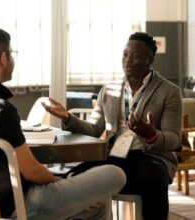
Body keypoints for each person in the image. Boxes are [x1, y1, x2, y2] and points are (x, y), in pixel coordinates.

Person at [0, 25, 126, 220]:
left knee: (99, 202)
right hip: (22, 207)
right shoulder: (1, 110)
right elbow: (31, 171)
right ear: (3, 57)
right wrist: (61, 183)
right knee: (116, 173)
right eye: (12, 53)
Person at [42, 32, 182, 220]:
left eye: (136, 56)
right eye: (125, 54)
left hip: (150, 157)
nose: (128, 60)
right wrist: (68, 118)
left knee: (152, 179)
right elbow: (93, 130)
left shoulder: (169, 92)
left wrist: (151, 134)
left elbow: (173, 140)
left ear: (150, 60)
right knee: (75, 175)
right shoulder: (109, 90)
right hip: (115, 155)